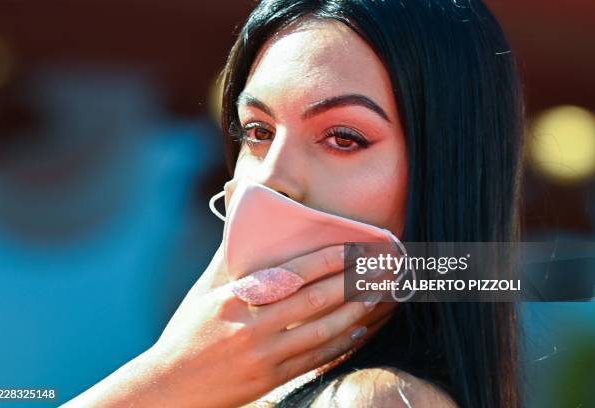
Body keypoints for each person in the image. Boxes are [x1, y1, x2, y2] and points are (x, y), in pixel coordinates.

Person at [64, 0, 524, 407]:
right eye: (258, 132)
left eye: (344, 137)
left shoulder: (375, 399)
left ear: (446, 171)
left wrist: (165, 383)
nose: (269, 179)